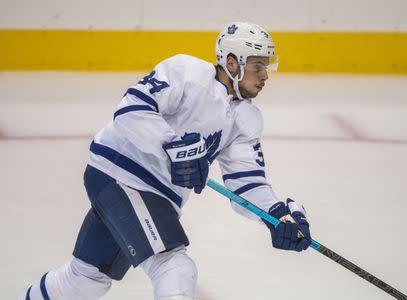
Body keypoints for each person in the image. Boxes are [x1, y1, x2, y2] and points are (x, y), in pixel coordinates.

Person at [21, 21, 311, 300]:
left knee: (84, 281)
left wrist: (276, 215)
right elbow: (131, 110)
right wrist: (171, 145)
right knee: (174, 268)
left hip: (154, 197)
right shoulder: (185, 71)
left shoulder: (247, 119)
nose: (265, 75)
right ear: (232, 63)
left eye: (267, 66)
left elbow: (247, 183)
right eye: (258, 66)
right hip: (122, 176)